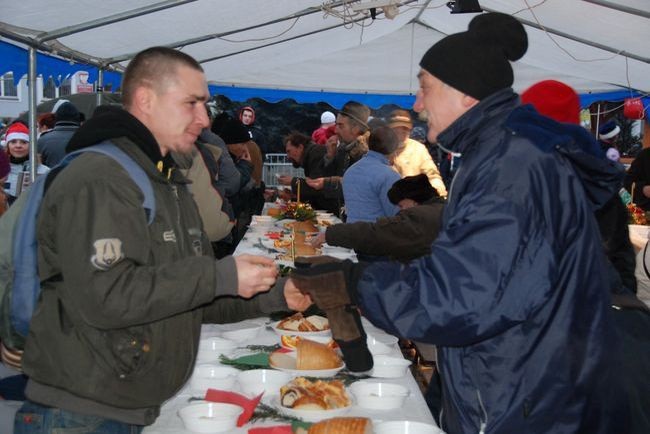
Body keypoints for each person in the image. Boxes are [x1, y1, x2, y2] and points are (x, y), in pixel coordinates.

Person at [285, 13, 626, 434]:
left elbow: (464, 296)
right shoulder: (493, 154)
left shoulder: (512, 167)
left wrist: (357, 282)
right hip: (513, 378)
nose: (417, 103)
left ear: (465, 94)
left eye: (424, 87)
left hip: (530, 397)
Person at [14, 46, 281, 432]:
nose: (204, 118)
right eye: (192, 103)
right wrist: (220, 277)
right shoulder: (100, 178)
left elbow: (186, 296)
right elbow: (106, 296)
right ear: (145, 100)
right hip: (81, 413)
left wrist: (279, 295)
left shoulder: (166, 181)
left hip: (123, 404)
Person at [311, 174, 444, 261]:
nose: (400, 210)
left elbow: (378, 234)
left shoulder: (420, 217)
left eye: (401, 205)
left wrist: (332, 234)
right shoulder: (441, 209)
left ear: (413, 200)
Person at [305, 101, 371, 216]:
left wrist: (326, 183)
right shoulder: (342, 149)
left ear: (355, 128)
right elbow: (323, 176)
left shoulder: (367, 153)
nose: (335, 130)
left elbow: (358, 185)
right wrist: (329, 156)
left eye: (340, 125)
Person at [342, 125, 400, 223]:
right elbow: (395, 213)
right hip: (377, 234)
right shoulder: (390, 176)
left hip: (351, 233)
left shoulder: (350, 171)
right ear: (393, 149)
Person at [388, 109, 447, 197]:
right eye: (396, 129)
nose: (401, 132)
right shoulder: (381, 147)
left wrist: (440, 193)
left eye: (405, 129)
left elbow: (432, 175)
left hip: (413, 200)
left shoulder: (418, 149)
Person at [277, 132, 339, 213]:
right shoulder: (311, 155)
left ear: (300, 147)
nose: (288, 156)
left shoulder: (315, 154)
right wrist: (293, 196)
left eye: (289, 151)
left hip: (331, 210)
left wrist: (293, 181)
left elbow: (316, 187)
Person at [4, 122, 50, 205]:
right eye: (13, 142)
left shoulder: (44, 171)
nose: (18, 145)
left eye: (24, 142)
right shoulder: (2, 172)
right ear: (7, 145)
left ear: (31, 146)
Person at [36, 101, 82, 167]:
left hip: (51, 176)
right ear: (77, 118)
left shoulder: (43, 140)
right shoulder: (87, 139)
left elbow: (39, 167)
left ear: (56, 118)